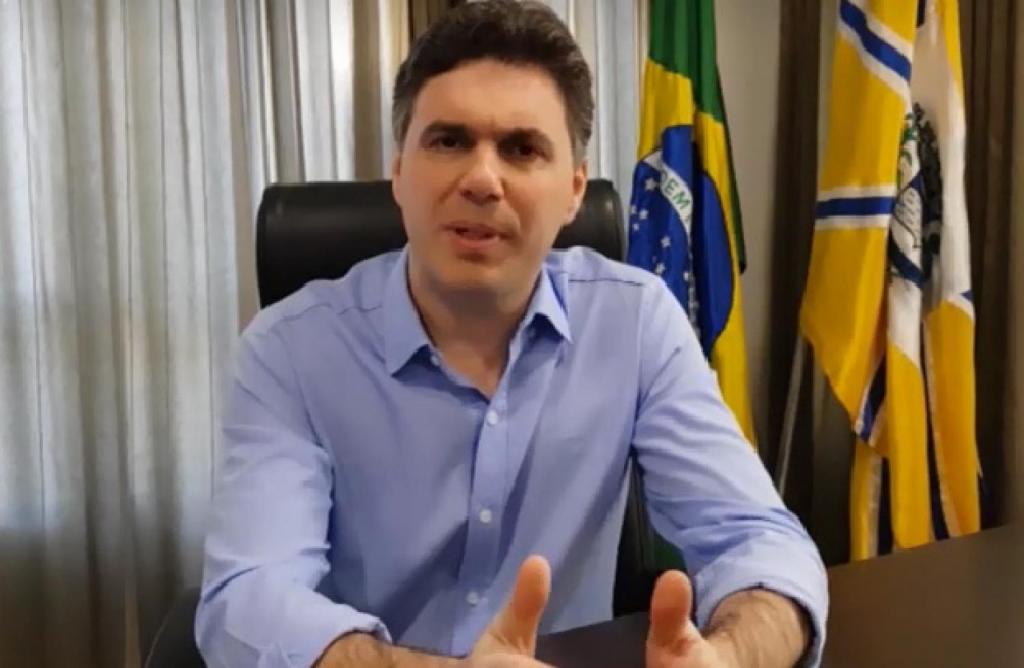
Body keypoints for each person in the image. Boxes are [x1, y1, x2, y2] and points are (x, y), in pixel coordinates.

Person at [195, 2, 828, 666]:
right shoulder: (290, 350)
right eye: (449, 141)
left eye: (522, 149)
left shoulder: (635, 322)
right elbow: (249, 601)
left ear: (574, 190)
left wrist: (731, 656)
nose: (481, 179)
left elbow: (760, 540)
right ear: (399, 174)